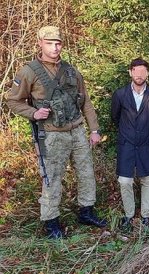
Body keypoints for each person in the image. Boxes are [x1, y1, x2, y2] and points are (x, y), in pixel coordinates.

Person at [6, 26, 107, 239]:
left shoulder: (71, 70)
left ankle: (86, 212)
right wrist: (34, 113)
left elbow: (85, 101)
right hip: (52, 134)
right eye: (50, 43)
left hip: (77, 130)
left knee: (86, 173)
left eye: (58, 43)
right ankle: (51, 223)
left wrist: (94, 129)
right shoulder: (29, 71)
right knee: (52, 178)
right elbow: (13, 101)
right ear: (40, 43)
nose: (55, 47)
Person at [111, 58, 149, 230]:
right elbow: (115, 118)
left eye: (143, 71)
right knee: (125, 181)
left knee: (147, 180)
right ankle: (129, 215)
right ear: (130, 72)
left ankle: (145, 216)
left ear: (148, 73)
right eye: (135, 71)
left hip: (147, 145)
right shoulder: (120, 94)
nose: (139, 75)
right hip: (126, 144)